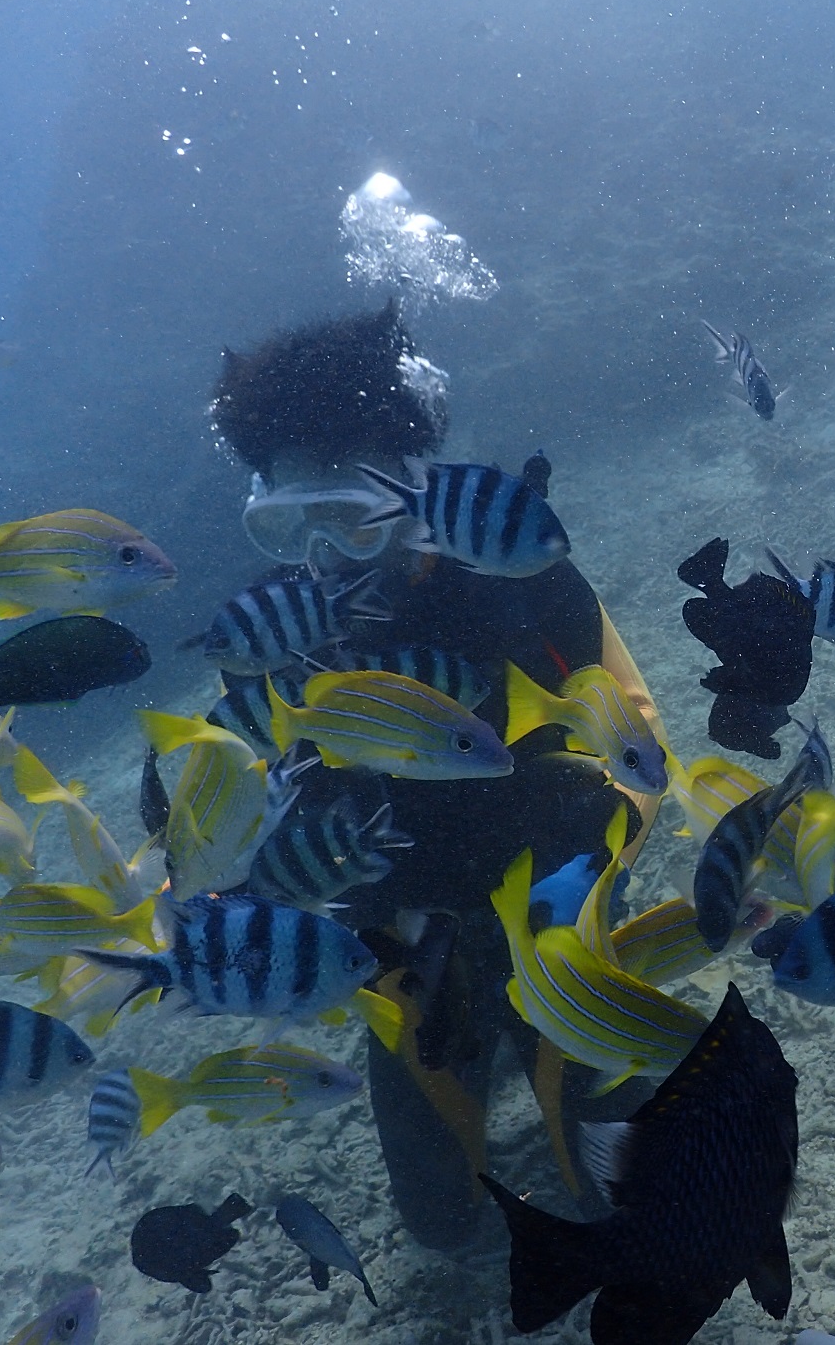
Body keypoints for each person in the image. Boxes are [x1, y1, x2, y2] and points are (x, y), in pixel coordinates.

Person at [209, 302, 668, 1251]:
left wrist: (609, 845)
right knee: (442, 1226)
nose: (327, 561)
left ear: (413, 492)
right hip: (398, 924)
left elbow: (632, 719)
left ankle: (539, 1037)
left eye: (351, 521)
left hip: (550, 898)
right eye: (291, 530)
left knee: (626, 1189)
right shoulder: (272, 638)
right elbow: (262, 791)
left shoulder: (513, 575)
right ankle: (491, 1043)